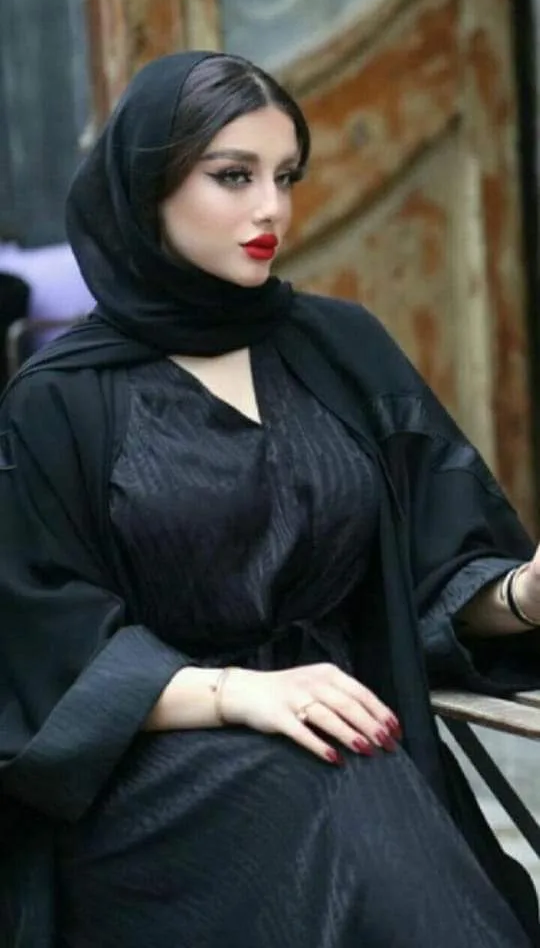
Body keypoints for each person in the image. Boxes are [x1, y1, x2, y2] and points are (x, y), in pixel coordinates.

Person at [1, 50, 540, 948]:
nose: (272, 210)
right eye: (233, 176)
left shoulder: (341, 347)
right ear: (146, 187)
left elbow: (426, 579)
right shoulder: (58, 399)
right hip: (156, 785)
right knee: (337, 783)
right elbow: (40, 654)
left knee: (351, 779)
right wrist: (241, 695)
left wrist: (522, 595)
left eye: (285, 177)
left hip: (353, 748)